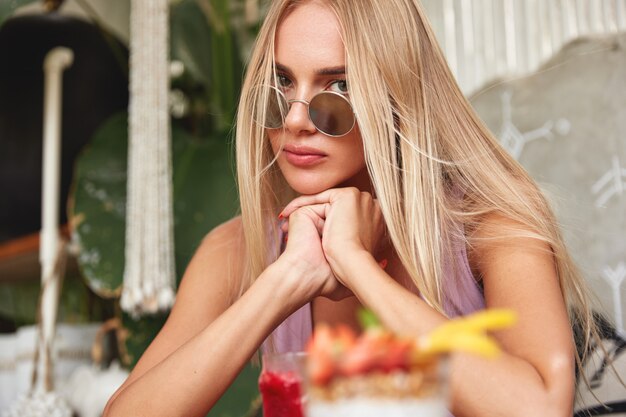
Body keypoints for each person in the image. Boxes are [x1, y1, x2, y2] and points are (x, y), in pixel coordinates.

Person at [103, 0, 601, 416]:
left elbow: (538, 407)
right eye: (280, 85)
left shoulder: (491, 226)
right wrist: (285, 280)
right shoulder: (236, 248)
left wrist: (359, 268)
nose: (296, 119)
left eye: (337, 86)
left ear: (397, 96)